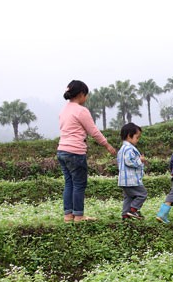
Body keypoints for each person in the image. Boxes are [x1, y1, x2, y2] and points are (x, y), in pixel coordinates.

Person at [57, 79, 116, 222]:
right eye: (86, 95)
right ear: (82, 94)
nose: (87, 97)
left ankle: (68, 215)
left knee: (69, 183)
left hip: (62, 150)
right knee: (79, 183)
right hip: (75, 152)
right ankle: (78, 215)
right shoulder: (81, 111)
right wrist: (107, 145)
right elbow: (93, 131)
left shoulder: (64, 109)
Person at [117, 122, 147, 220]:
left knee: (129, 197)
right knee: (142, 194)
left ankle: (125, 215)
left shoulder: (122, 149)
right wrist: (140, 160)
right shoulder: (129, 148)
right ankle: (133, 210)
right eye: (137, 137)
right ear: (129, 136)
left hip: (124, 180)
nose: (138, 140)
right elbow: (129, 161)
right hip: (131, 179)